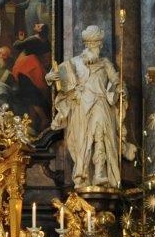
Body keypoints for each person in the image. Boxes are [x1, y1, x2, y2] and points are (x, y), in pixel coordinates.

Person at [47, 25, 137, 189]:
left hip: (101, 103)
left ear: (100, 45)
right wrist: (50, 77)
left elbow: (117, 81)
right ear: (86, 44)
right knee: (84, 141)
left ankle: (100, 173)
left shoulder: (105, 63)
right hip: (81, 106)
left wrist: (120, 88)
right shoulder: (74, 63)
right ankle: (84, 174)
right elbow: (58, 74)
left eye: (96, 44)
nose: (94, 47)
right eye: (91, 44)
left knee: (101, 135)